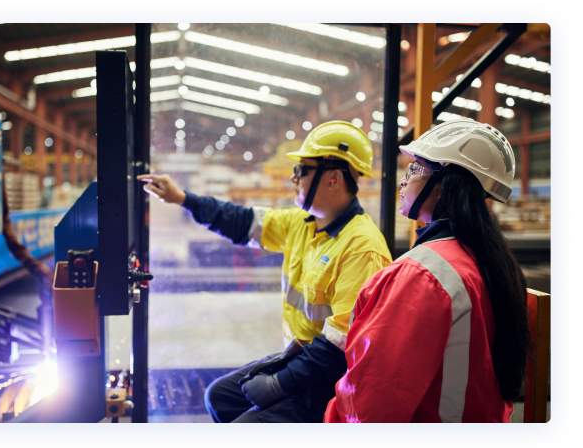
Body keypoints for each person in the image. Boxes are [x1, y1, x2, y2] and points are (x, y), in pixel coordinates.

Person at [138, 121, 392, 423]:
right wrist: (183, 199)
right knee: (219, 397)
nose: (293, 178)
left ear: (333, 179)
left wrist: (277, 384)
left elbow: (337, 351)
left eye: (301, 170)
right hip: (301, 358)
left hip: (330, 383)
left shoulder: (361, 248)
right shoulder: (303, 223)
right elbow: (242, 221)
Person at [324, 119, 531, 423]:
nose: (404, 180)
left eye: (415, 169)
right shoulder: (487, 259)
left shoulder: (421, 276)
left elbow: (370, 410)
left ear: (447, 184)